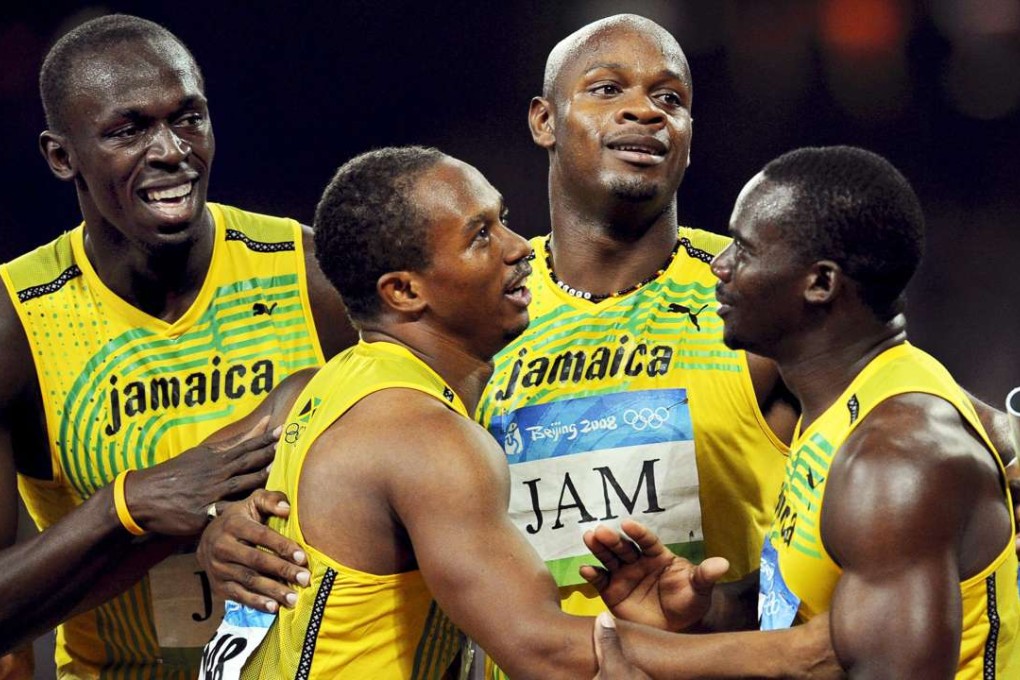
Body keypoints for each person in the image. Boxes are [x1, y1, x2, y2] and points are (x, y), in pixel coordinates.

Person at [196, 145, 840, 680]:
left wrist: (214, 522)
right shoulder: (419, 432)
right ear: (404, 290)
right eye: (481, 235)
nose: (518, 246)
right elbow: (542, 650)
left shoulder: (339, 386)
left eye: (502, 220)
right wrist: (790, 652)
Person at [0, 14, 355, 679]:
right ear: (61, 155)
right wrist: (128, 505)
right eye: (128, 131)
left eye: (188, 118)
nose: (170, 150)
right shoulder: (15, 323)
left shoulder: (312, 278)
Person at [587, 146, 1020, 677]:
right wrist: (709, 610)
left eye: (744, 250)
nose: (719, 267)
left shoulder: (892, 460)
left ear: (820, 284)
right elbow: (807, 596)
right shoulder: (849, 399)